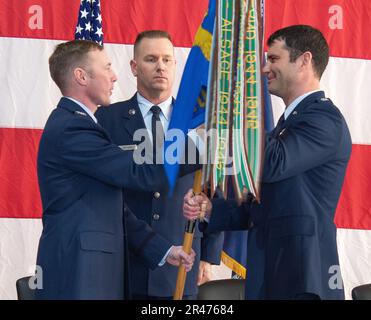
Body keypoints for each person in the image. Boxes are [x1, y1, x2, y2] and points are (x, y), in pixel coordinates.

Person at [183, 25, 352, 300]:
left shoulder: (325, 120)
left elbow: (273, 163)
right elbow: (262, 205)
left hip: (302, 278)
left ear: (304, 60)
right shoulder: (287, 125)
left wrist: (233, 111)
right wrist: (212, 208)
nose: (264, 69)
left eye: (274, 59)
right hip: (272, 274)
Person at [36, 39, 195, 300]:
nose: (114, 76)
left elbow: (115, 208)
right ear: (81, 76)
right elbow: (138, 170)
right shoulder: (72, 129)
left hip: (94, 272)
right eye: (107, 67)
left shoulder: (81, 125)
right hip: (80, 274)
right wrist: (203, 149)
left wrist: (163, 250)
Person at [95, 30, 223, 300]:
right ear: (134, 66)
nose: (160, 66)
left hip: (183, 261)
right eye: (151, 59)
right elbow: (103, 191)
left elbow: (215, 189)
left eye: (167, 59)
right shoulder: (107, 118)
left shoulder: (198, 122)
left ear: (176, 65)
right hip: (124, 263)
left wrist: (209, 257)